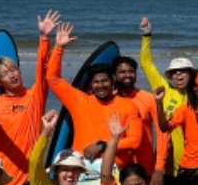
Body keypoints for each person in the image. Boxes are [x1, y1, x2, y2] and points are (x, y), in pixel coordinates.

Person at [0, 10, 59, 185]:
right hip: (2, 176)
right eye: (5, 73)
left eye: (13, 69)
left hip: (31, 176)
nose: (12, 75)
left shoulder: (33, 98)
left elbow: (43, 70)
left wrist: (45, 38)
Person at [46, 22, 142, 169]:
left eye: (105, 81)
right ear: (91, 85)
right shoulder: (79, 101)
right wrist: (59, 48)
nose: (101, 85)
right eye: (96, 82)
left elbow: (135, 141)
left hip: (114, 171)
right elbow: (53, 79)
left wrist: (102, 146)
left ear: (113, 81)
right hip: (82, 169)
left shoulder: (128, 106)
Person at [139, 16, 195, 185]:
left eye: (184, 71)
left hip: (193, 168)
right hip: (168, 169)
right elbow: (146, 64)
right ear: (170, 76)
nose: (179, 75)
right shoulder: (164, 91)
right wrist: (146, 36)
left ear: (191, 74)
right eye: (175, 72)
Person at [109, 53, 167, 185]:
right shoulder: (109, 100)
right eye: (122, 72)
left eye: (131, 71)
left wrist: (158, 168)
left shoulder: (149, 98)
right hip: (116, 166)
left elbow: (162, 134)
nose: (127, 75)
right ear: (114, 76)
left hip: (144, 166)